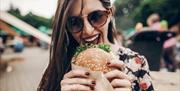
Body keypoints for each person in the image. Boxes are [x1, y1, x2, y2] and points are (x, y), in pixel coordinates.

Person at [38, 0, 154, 91]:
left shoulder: (137, 64)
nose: (88, 30)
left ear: (109, 14)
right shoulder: (58, 67)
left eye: (96, 16)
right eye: (74, 22)